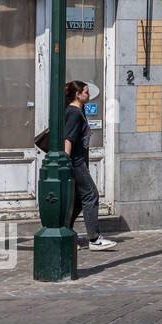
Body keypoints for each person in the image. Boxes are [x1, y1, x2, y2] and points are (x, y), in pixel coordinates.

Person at [63, 80, 117, 250]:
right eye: (85, 92)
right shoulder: (74, 113)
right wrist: (66, 161)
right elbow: (68, 139)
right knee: (91, 194)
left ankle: (67, 233)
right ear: (77, 95)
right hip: (76, 162)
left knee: (79, 200)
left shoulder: (80, 110)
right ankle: (94, 238)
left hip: (79, 161)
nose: (88, 94)